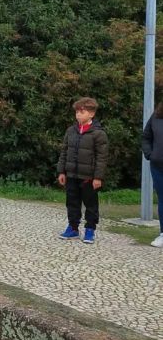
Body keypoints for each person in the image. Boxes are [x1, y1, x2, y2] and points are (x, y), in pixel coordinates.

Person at [57, 97, 108, 245]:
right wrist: (62, 171)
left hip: (89, 177)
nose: (78, 115)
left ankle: (90, 229)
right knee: (72, 202)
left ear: (91, 114)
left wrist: (98, 177)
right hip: (71, 174)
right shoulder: (71, 131)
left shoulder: (98, 134)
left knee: (90, 204)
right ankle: (73, 227)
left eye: (82, 111)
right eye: (77, 112)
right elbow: (64, 152)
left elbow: (102, 158)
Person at [141, 100, 163, 248]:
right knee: (162, 199)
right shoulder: (156, 117)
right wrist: (150, 154)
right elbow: (146, 137)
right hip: (158, 166)